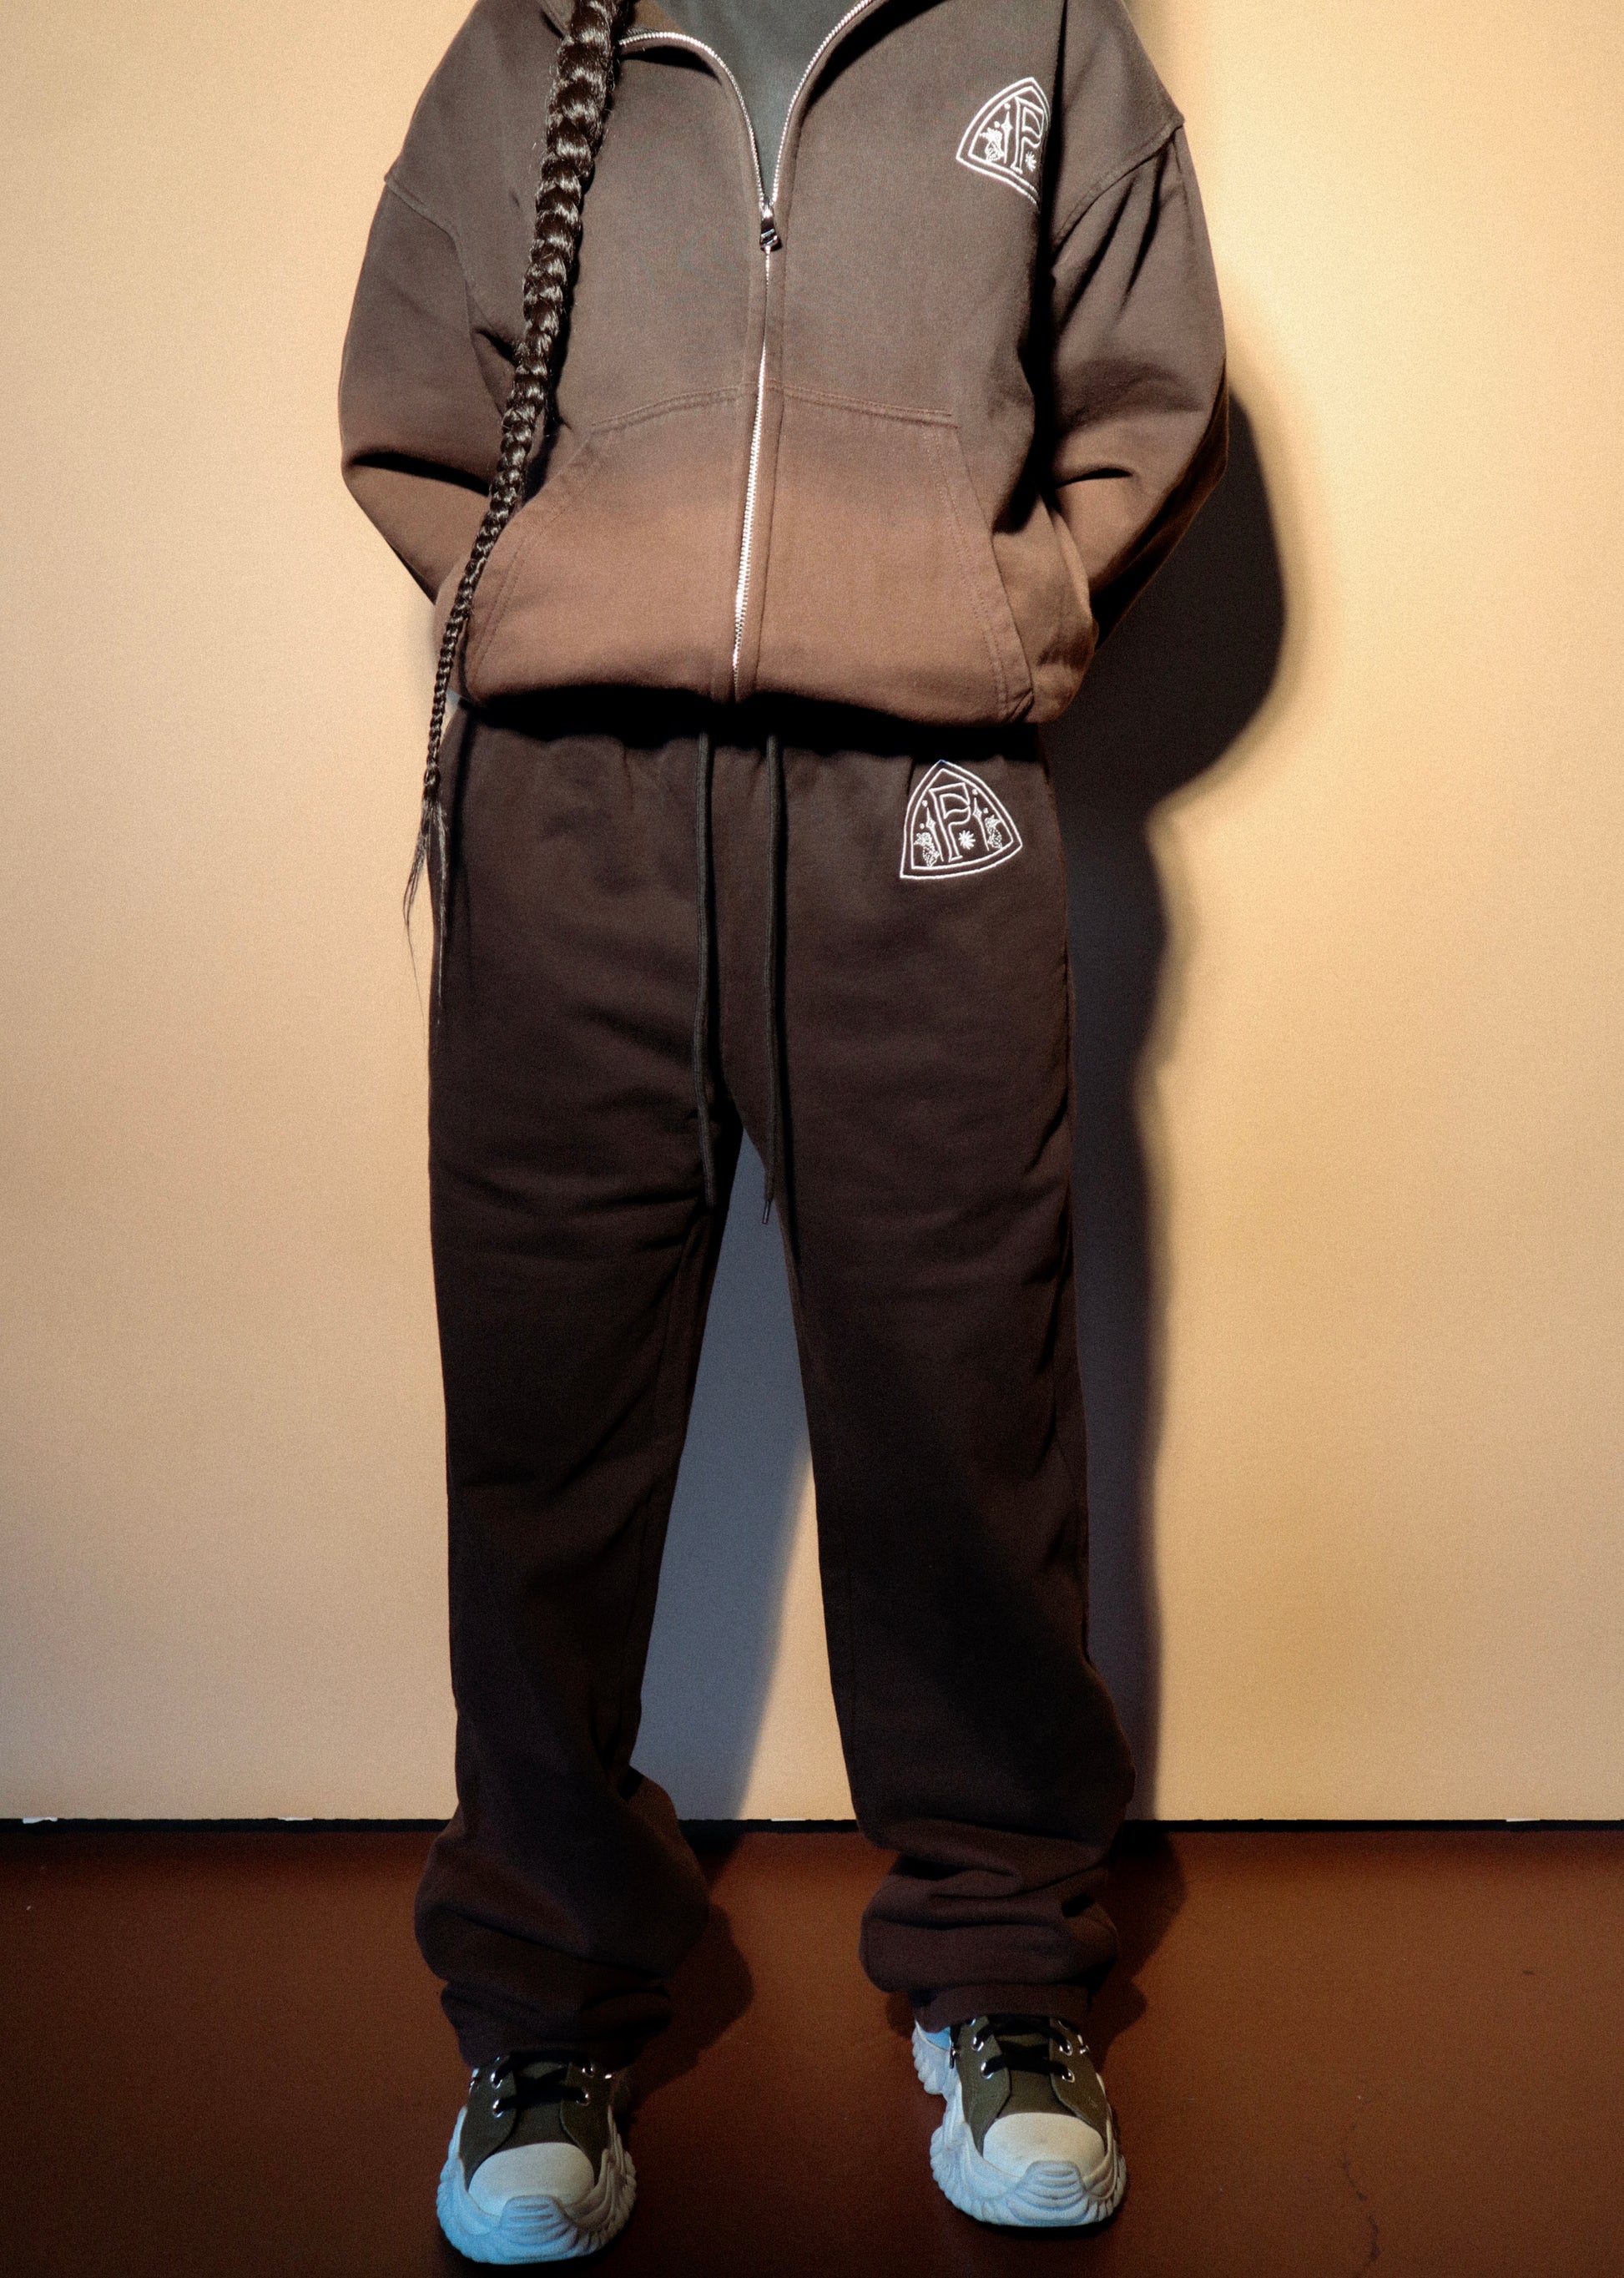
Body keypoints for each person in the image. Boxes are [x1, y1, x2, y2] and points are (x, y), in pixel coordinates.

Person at [339, 0, 1226, 2257]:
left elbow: (1146, 401)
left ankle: (1003, 1967)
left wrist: (994, 614)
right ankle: (540, 2000)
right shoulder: (529, 47)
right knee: (543, 1420)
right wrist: (560, 599)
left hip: (918, 805)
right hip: (571, 809)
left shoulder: (1045, 39)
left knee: (962, 1400)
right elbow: (415, 401)